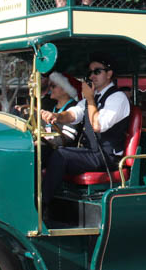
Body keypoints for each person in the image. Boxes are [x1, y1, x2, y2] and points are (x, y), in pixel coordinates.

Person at [40, 56, 131, 209]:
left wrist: (89, 100)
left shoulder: (117, 98)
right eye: (90, 73)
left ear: (109, 74)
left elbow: (98, 125)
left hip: (107, 157)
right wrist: (57, 116)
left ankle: (43, 206)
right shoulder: (92, 98)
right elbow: (73, 114)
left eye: (97, 71)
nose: (92, 76)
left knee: (60, 155)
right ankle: (39, 198)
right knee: (43, 150)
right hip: (90, 152)